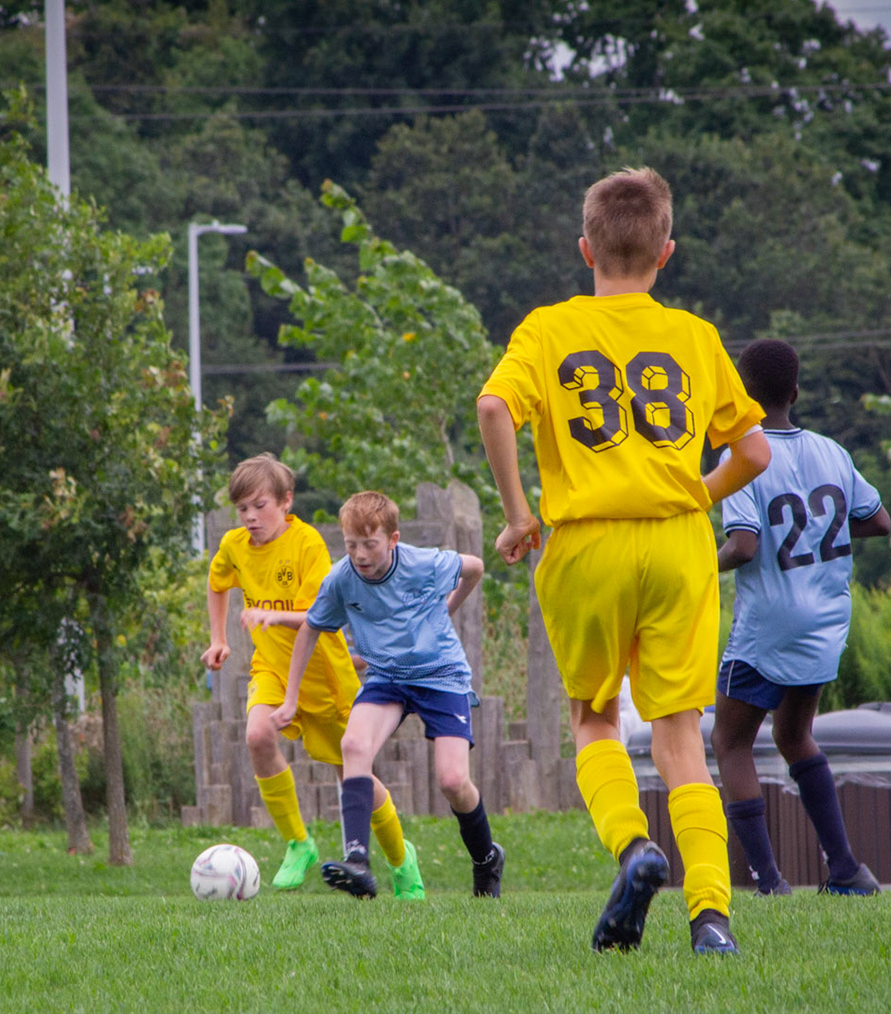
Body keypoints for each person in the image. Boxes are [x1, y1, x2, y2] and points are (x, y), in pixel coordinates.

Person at [476, 167, 771, 956]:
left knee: (595, 717)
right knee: (680, 736)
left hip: (587, 543)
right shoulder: (695, 337)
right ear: (666, 253)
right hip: (677, 543)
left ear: (585, 249)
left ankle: (636, 848)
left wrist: (519, 516)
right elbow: (753, 451)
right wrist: (696, 493)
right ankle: (711, 916)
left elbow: (494, 406)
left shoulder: (548, 329)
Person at [710, 339, 891, 896]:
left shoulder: (742, 457)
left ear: (742, 396)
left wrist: (698, 567)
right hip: (825, 622)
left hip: (769, 624)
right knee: (795, 734)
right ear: (795, 392)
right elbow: (879, 521)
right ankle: (846, 870)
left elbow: (743, 545)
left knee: (730, 742)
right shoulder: (832, 452)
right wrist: (821, 532)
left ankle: (769, 882)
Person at [275, 491, 505, 900]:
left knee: (453, 781)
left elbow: (475, 567)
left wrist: (446, 608)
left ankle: (486, 858)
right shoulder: (342, 578)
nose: (360, 555)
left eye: (370, 544)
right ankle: (358, 861)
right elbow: (311, 628)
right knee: (353, 745)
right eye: (351, 545)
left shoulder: (423, 564)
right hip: (387, 677)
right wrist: (290, 699)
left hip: (440, 674)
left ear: (393, 539)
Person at [202, 455, 416, 893]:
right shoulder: (234, 545)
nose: (250, 517)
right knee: (257, 736)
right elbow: (217, 581)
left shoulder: (307, 545)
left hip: (325, 679)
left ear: (286, 501)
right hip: (272, 668)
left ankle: (401, 860)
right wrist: (218, 638)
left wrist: (272, 615)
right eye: (242, 508)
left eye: (259, 505)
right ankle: (299, 843)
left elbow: (317, 618)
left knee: (354, 777)